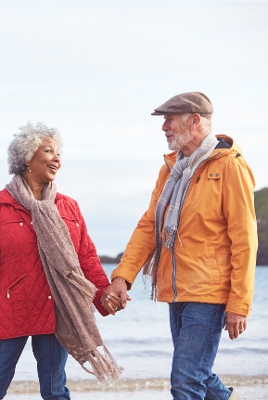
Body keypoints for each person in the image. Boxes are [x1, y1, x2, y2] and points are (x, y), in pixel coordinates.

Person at [102, 92, 257, 400]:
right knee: (199, 374)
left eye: (169, 120)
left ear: (195, 120)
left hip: (210, 294)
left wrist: (239, 304)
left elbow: (245, 240)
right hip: (177, 291)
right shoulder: (172, 169)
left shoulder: (230, 167)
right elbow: (150, 226)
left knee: (185, 380)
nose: (164, 128)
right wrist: (123, 276)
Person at [0, 122, 121, 400]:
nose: (57, 158)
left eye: (59, 153)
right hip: (9, 310)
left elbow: (86, 258)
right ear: (26, 159)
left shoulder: (68, 206)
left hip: (58, 308)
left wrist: (103, 294)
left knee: (55, 390)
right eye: (48, 151)